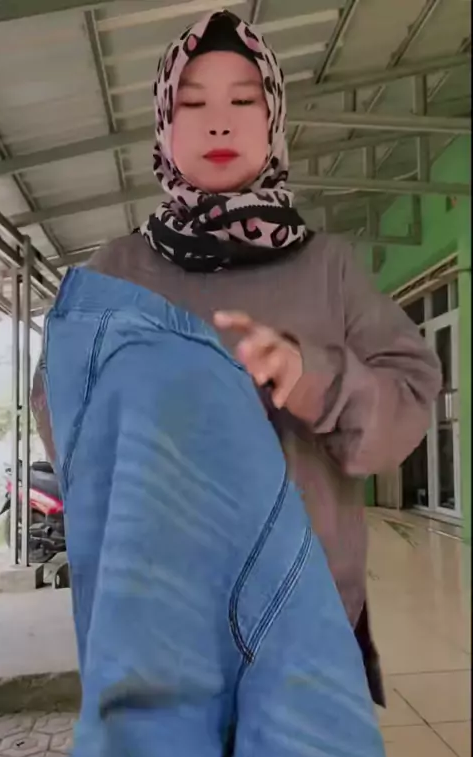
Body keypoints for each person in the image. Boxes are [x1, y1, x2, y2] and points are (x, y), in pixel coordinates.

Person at [32, 8, 440, 701]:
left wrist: (313, 379)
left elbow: (407, 404)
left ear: (274, 118)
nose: (219, 124)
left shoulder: (328, 269)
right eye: (193, 104)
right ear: (164, 125)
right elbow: (61, 408)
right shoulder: (116, 272)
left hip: (306, 633)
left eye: (243, 101)